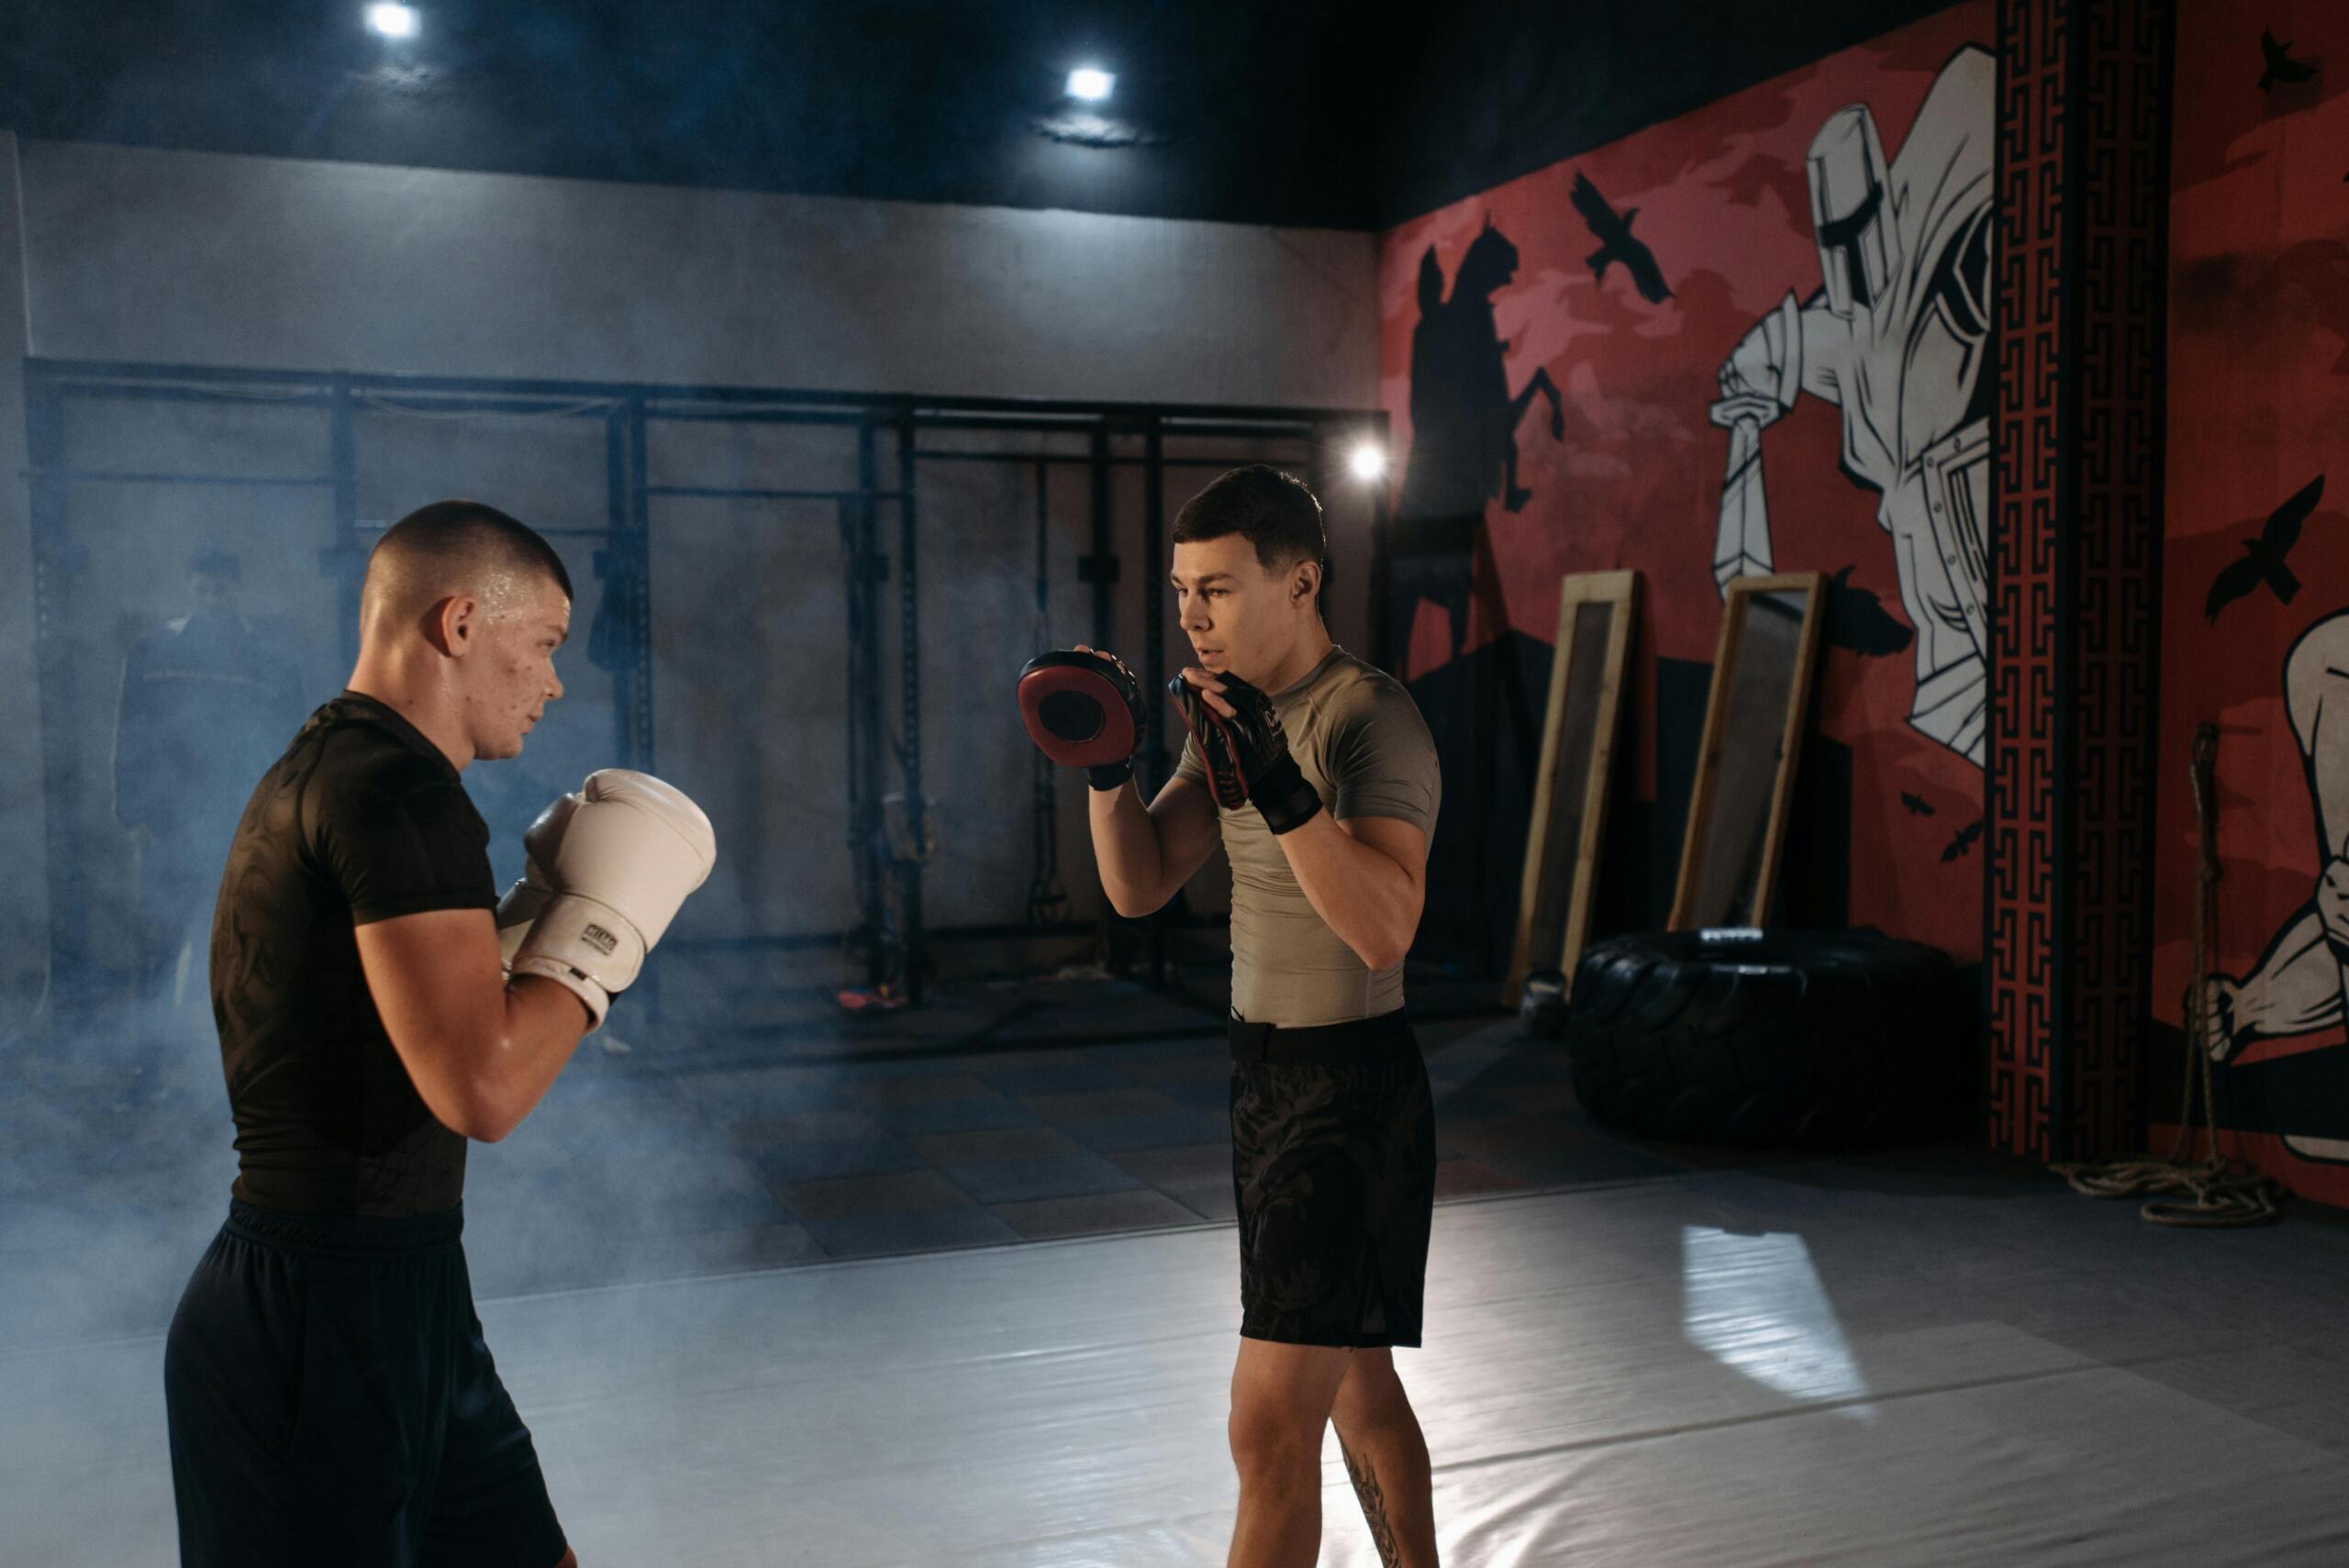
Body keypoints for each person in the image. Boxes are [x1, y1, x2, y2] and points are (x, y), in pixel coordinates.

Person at [162, 500, 715, 1567]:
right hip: (321, 1324)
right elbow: (484, 1088)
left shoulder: (325, 767)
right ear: (461, 622)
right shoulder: (401, 791)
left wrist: (528, 920)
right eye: (544, 643)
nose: (556, 680)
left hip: (397, 1294)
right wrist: (604, 930)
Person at [1039, 465, 1444, 1567]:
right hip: (1262, 1080)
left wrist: (1279, 783)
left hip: (1348, 1093)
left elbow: (1383, 927)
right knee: (1357, 1383)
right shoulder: (1222, 718)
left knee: (1266, 1426)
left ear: (1300, 579)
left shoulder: (1370, 716)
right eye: (1181, 591)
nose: (1190, 615)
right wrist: (1105, 771)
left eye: (1215, 588)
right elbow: (1140, 882)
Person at [112, 544, 303, 1010]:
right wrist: (132, 813)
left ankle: (220, 1069)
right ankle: (149, 1067)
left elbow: (290, 752)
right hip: (166, 828)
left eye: (221, 585)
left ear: (236, 591)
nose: (212, 593)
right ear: (189, 588)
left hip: (239, 827)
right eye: (203, 584)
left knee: (237, 944)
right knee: (159, 945)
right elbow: (129, 732)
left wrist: (279, 827)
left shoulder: (272, 664)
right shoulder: (152, 651)